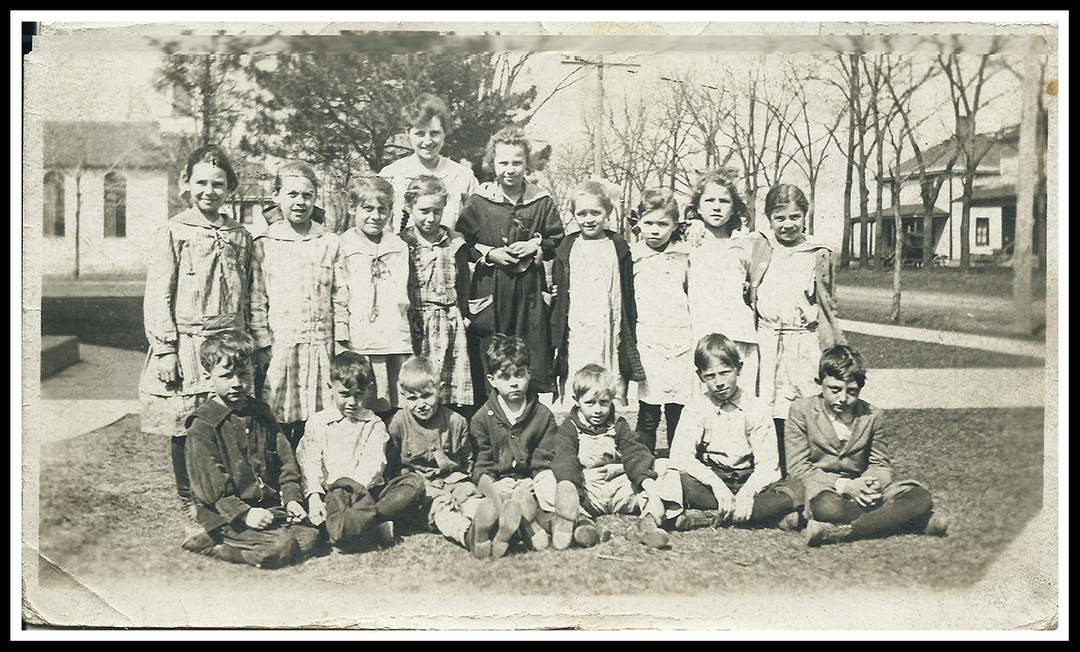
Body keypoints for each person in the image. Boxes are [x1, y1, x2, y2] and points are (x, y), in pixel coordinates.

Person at [140, 144, 252, 522]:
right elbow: (159, 292)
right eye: (201, 182)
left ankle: (223, 490)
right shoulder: (173, 231)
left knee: (226, 418)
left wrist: (248, 341)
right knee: (186, 424)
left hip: (228, 344)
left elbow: (247, 292)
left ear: (229, 188)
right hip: (187, 343)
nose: (209, 191)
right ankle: (189, 495)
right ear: (185, 184)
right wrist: (165, 347)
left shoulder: (240, 234)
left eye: (218, 184)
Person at [180, 330, 322, 569]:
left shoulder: (261, 412)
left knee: (311, 539)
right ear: (208, 378)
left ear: (254, 371)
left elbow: (285, 462)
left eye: (244, 374)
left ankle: (236, 538)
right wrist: (244, 514)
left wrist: (291, 499)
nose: (237, 383)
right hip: (225, 513)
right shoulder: (203, 425)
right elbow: (210, 488)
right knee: (278, 549)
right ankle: (214, 543)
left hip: (268, 508)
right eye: (226, 376)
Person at [785, 346, 950, 546]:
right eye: (835, 389)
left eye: (852, 391)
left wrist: (869, 485)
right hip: (826, 490)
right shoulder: (801, 411)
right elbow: (797, 467)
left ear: (861, 388)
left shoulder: (873, 416)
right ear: (820, 383)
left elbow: (880, 464)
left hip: (865, 492)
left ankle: (838, 531)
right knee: (826, 506)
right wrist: (846, 486)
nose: (843, 398)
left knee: (920, 496)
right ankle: (910, 520)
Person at [456, 126, 565, 397]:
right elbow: (462, 242)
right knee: (489, 356)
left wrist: (535, 245)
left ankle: (527, 424)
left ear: (527, 163)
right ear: (492, 163)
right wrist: (490, 254)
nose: (510, 169)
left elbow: (557, 240)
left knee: (528, 354)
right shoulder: (480, 201)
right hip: (491, 292)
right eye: (503, 162)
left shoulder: (541, 201)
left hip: (528, 295)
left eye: (517, 162)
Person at [250, 161, 349, 450]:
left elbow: (340, 295)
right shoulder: (264, 243)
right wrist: (263, 345)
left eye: (307, 195)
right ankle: (282, 477)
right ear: (277, 196)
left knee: (319, 416)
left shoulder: (329, 242)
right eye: (292, 194)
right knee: (277, 415)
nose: (300, 202)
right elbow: (256, 299)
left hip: (320, 346)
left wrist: (339, 341)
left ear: (315, 198)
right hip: (280, 347)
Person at [666, 333, 804, 532]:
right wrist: (717, 485)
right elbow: (681, 456)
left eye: (725, 372)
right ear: (700, 376)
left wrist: (748, 493)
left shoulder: (757, 408)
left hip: (750, 482)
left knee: (795, 488)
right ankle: (766, 518)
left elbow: (768, 465)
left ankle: (708, 516)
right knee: (672, 478)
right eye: (710, 376)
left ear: (738, 368)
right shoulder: (695, 408)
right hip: (712, 482)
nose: (719, 382)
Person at [295, 352, 426, 552]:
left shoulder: (374, 424)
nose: (352, 402)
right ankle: (365, 528)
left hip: (364, 494)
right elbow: (310, 462)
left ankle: (343, 529)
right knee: (316, 507)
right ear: (331, 388)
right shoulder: (318, 422)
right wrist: (314, 497)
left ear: (369, 390)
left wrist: (353, 496)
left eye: (359, 394)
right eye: (345, 394)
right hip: (329, 495)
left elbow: (373, 465)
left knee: (412, 484)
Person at [755, 184, 845, 471]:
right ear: (769, 219)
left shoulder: (817, 252)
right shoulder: (761, 247)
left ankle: (806, 466)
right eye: (779, 218)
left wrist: (833, 342)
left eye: (795, 217)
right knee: (769, 405)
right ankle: (773, 467)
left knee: (803, 403)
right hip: (766, 338)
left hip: (802, 341)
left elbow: (828, 302)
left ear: (805, 216)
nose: (787, 224)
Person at [535, 364, 670, 550]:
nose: (598, 410)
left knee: (664, 468)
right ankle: (582, 524)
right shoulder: (569, 428)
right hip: (588, 492)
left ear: (611, 400)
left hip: (619, 489)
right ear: (577, 401)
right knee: (547, 480)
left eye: (604, 403)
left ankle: (646, 525)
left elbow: (634, 454)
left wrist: (650, 489)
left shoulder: (618, 424)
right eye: (590, 403)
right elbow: (566, 461)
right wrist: (574, 495)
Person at [386, 356, 499, 558]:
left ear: (441, 389)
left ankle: (492, 524)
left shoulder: (457, 422)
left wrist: (459, 483)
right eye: (412, 399)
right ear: (402, 394)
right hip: (421, 487)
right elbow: (395, 468)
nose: (420, 404)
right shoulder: (398, 423)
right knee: (440, 508)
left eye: (427, 396)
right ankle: (468, 534)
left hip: (453, 480)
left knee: (469, 494)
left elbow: (466, 461)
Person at [549, 180, 645, 406]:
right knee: (579, 376)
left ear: (608, 212)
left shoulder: (617, 246)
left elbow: (627, 292)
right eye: (582, 213)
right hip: (578, 327)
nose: (589, 219)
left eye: (596, 212)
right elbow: (558, 286)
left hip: (608, 326)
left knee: (607, 376)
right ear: (573, 214)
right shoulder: (567, 247)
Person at [470, 334, 559, 557]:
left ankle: (539, 525)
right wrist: (495, 485)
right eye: (505, 376)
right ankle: (519, 528)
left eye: (520, 374)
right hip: (500, 486)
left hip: (530, 484)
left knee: (545, 490)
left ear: (529, 372)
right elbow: (481, 465)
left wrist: (531, 480)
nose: (514, 382)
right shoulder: (482, 418)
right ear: (491, 380)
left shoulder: (542, 415)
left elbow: (544, 459)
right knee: (489, 504)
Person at [398, 175, 476, 416]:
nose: (431, 218)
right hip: (418, 323)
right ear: (409, 207)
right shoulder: (403, 243)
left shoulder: (454, 242)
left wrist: (463, 314)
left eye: (437, 211)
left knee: (448, 386)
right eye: (423, 211)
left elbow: (463, 283)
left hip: (449, 322)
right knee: (419, 383)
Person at [339, 176, 413, 423]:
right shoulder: (342, 245)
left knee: (393, 405)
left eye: (383, 210)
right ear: (352, 208)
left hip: (392, 338)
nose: (376, 216)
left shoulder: (399, 246)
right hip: (360, 339)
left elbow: (404, 295)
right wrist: (342, 338)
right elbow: (339, 295)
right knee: (362, 401)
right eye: (368, 208)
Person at [685, 170, 762, 397]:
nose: (716, 207)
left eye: (724, 201)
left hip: (739, 335)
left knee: (742, 399)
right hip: (703, 337)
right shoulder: (689, 241)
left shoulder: (745, 243)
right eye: (709, 200)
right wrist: (691, 225)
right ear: (698, 207)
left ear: (734, 207)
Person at [630, 188, 694, 458]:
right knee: (649, 410)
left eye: (662, 224)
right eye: (649, 223)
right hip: (649, 341)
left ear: (675, 225)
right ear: (638, 223)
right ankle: (643, 464)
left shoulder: (686, 256)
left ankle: (680, 464)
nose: (655, 230)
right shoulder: (633, 256)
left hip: (681, 340)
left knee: (678, 408)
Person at [379, 93, 479, 232]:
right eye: (420, 134)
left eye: (434, 133)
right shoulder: (390, 174)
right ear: (408, 134)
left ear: (445, 133)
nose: (427, 141)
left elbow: (476, 227)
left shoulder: (463, 176)